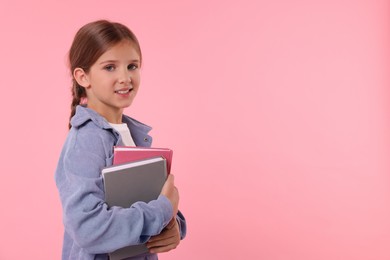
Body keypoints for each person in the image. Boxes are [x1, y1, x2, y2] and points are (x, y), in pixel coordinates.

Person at [55, 20, 186, 260]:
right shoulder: (86, 141)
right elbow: (88, 229)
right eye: (110, 67)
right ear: (83, 77)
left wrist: (173, 225)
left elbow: (143, 200)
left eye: (132, 66)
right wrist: (162, 211)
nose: (125, 77)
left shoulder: (132, 134)